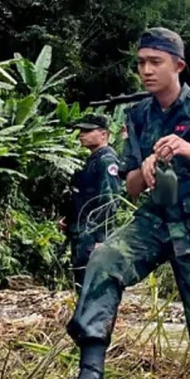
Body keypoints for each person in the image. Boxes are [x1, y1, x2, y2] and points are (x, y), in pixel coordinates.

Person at [66, 27, 190, 379]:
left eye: (156, 62)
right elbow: (131, 185)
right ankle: (90, 373)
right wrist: (146, 167)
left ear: (178, 65)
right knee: (105, 259)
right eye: (141, 63)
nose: (146, 71)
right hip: (155, 219)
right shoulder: (138, 116)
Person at [59, 114, 121, 294]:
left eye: (87, 131)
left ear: (104, 134)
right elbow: (83, 196)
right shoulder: (93, 159)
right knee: (80, 280)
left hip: (91, 233)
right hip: (81, 229)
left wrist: (102, 238)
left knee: (90, 283)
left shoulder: (106, 160)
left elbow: (109, 201)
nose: (81, 134)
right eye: (81, 130)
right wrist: (69, 219)